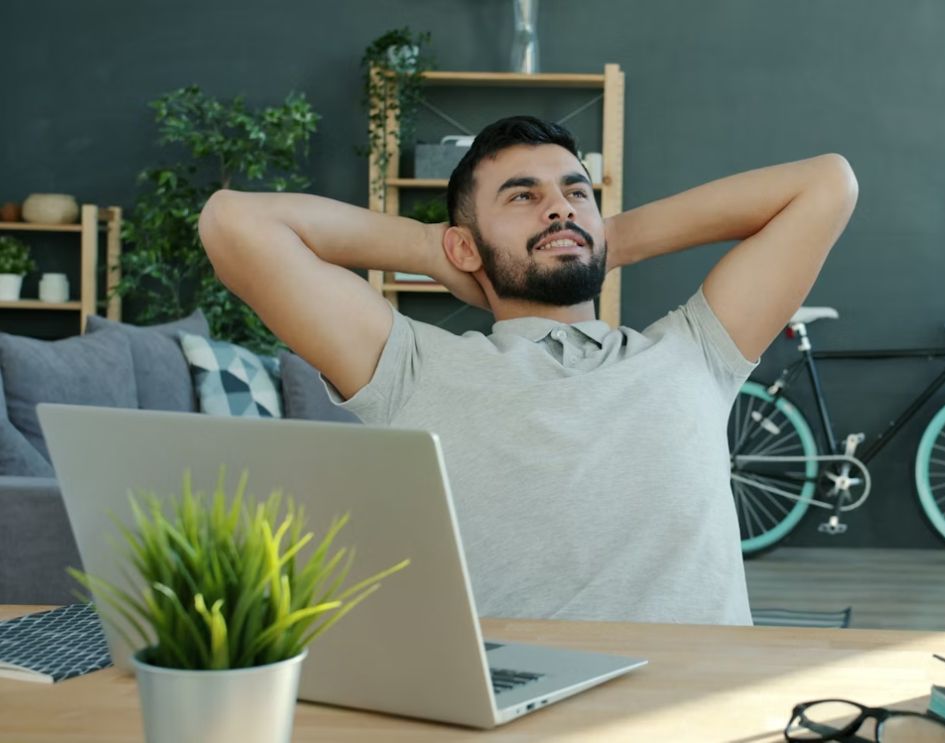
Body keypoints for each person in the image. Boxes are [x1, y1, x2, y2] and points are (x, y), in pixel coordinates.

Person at [198, 116, 858, 625]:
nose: (560, 206)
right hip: (517, 708)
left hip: (699, 708)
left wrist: (600, 241)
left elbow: (826, 183)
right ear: (464, 242)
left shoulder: (695, 350)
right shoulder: (411, 365)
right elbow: (234, 223)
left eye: (577, 194)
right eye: (523, 196)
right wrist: (436, 249)